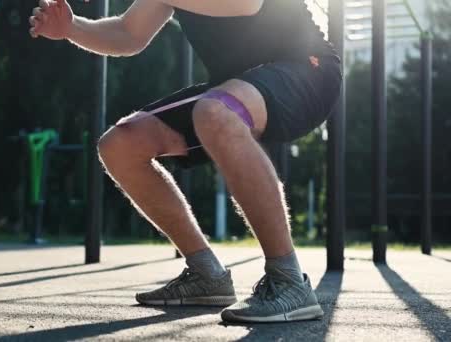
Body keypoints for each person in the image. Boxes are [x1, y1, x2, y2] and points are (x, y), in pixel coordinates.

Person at [29, 0, 341, 323]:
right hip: (232, 89)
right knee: (120, 145)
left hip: (306, 69)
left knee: (214, 112)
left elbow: (247, 4)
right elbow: (128, 33)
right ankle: (207, 274)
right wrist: (71, 28)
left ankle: (288, 282)